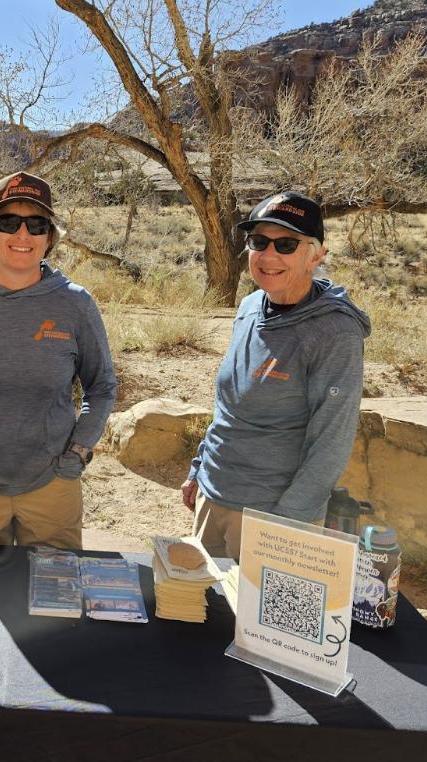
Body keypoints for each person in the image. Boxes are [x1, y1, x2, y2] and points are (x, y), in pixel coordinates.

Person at [0, 171, 117, 550]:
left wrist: (76, 456)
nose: (22, 235)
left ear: (50, 238)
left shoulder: (75, 304)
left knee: (54, 601)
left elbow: (102, 385)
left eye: (36, 225)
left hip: (53, 485)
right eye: (9, 223)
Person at [181, 191, 370, 558]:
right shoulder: (251, 306)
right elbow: (229, 406)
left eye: (286, 244)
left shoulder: (335, 333)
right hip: (215, 494)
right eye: (259, 242)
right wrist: (199, 469)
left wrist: (287, 524)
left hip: (270, 515)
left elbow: (331, 440)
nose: (269, 256)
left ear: (316, 255)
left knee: (250, 616)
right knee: (202, 609)